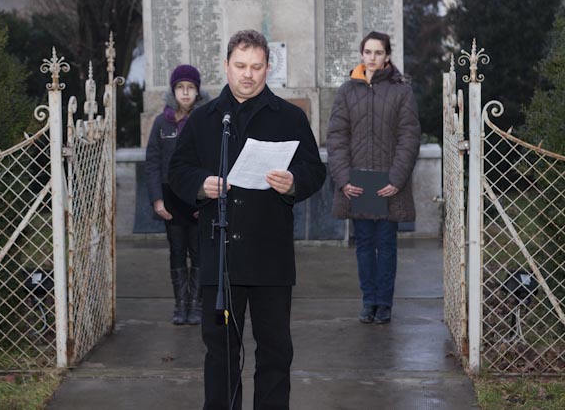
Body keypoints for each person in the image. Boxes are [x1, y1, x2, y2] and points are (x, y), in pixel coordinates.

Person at [169, 30, 325, 409]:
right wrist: (201, 185)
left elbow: (314, 170)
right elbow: (177, 170)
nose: (248, 75)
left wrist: (293, 182)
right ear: (226, 66)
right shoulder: (204, 119)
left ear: (268, 68)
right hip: (219, 254)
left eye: (256, 67)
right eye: (240, 66)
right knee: (220, 352)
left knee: (275, 351)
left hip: (270, 253)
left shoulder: (290, 117)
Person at [326, 31, 421, 325]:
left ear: (387, 56)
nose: (372, 57)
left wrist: (397, 179)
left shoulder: (401, 92)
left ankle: (384, 303)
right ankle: (369, 302)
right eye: (368, 52)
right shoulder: (347, 92)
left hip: (388, 184)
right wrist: (343, 179)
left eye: (378, 52)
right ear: (361, 54)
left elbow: (409, 137)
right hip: (357, 184)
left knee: (387, 245)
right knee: (364, 245)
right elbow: (336, 137)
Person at [145, 64, 210, 325]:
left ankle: (196, 305)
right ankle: (180, 305)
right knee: (177, 250)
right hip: (170, 199)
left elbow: (213, 161)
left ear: (197, 91)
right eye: (180, 87)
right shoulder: (162, 122)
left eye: (190, 87)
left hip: (197, 197)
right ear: (173, 91)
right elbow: (152, 161)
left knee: (199, 251)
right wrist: (157, 199)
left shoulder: (205, 121)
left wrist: (206, 200)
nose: (185, 93)